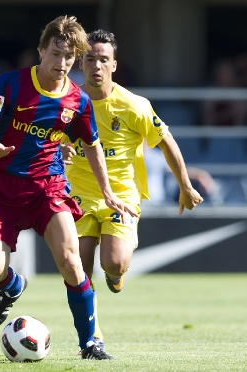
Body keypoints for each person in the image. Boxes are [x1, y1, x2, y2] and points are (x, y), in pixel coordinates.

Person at [0, 16, 137, 360]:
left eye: (69, 57)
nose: (62, 64)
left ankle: (90, 343)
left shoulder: (78, 101)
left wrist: (107, 192)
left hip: (48, 187)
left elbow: (90, 145)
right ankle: (11, 288)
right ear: (41, 51)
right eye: (56, 54)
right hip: (0, 188)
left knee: (71, 262)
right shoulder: (10, 85)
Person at [62, 30, 203, 349]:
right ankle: (92, 336)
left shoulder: (133, 105)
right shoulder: (67, 102)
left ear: (113, 65)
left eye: (103, 60)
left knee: (112, 262)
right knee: (78, 267)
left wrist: (185, 186)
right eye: (90, 59)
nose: (96, 65)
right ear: (81, 63)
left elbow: (165, 140)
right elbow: (48, 137)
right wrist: (60, 150)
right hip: (78, 194)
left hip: (121, 195)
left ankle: (115, 275)